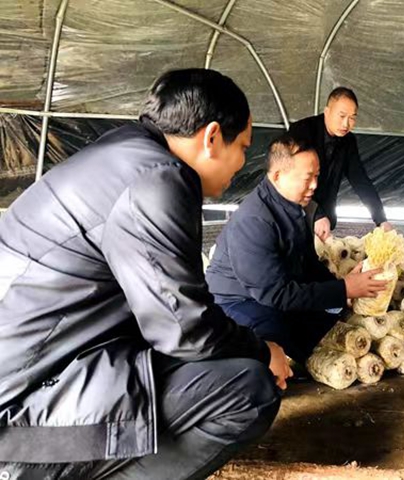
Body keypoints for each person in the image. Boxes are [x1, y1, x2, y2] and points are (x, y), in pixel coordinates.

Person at [0, 68, 292, 479]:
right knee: (248, 390)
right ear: (211, 137)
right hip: (22, 410)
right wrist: (261, 350)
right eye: (243, 147)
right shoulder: (158, 180)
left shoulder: (123, 154)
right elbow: (183, 330)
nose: (244, 161)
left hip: (39, 372)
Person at [205, 134, 388, 363]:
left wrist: (341, 287)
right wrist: (344, 290)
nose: (314, 185)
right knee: (275, 339)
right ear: (278, 176)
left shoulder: (295, 208)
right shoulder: (255, 221)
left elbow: (308, 263)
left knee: (328, 313)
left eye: (317, 176)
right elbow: (275, 294)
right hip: (236, 301)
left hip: (271, 295)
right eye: (307, 178)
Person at [288, 87, 393, 241]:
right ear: (327, 111)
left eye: (352, 118)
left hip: (325, 221)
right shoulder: (302, 131)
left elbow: (360, 181)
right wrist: (316, 214)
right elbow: (293, 179)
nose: (346, 124)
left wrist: (381, 219)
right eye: (342, 116)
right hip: (296, 215)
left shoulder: (348, 141)